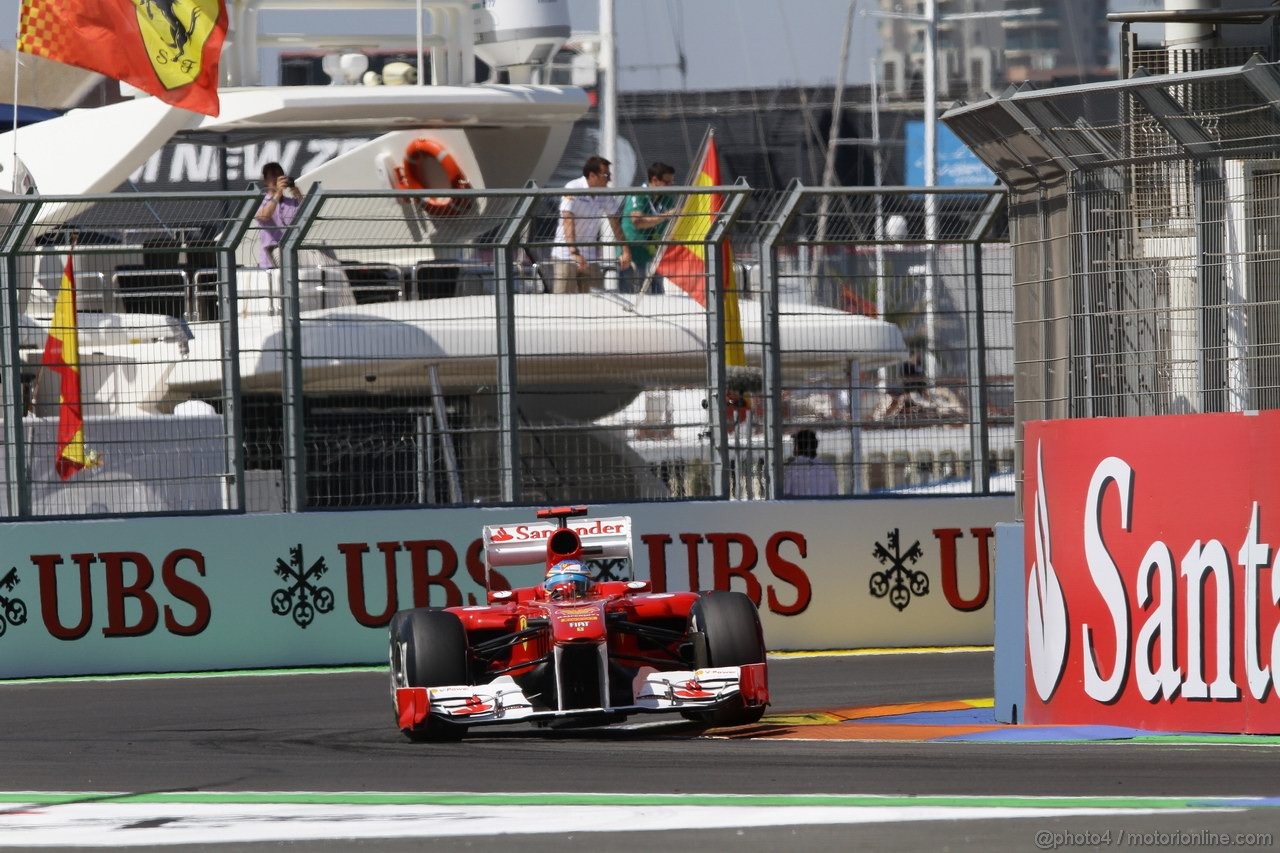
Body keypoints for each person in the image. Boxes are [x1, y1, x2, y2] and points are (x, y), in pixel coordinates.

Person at [548, 155, 631, 293]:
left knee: (597, 299)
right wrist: (574, 252)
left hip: (590, 257)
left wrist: (625, 250)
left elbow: (615, 222)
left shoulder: (604, 194)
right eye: (606, 175)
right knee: (562, 304)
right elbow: (568, 220)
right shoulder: (573, 188)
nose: (609, 180)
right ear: (592, 175)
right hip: (566, 255)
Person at [618, 161, 677, 294]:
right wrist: (665, 216)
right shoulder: (639, 194)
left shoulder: (666, 199)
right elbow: (637, 221)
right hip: (633, 253)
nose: (670, 186)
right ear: (655, 180)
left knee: (657, 294)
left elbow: (671, 226)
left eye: (671, 182)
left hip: (653, 255)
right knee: (631, 293)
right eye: (667, 182)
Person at [254, 161, 303, 268]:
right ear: (265, 181)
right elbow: (264, 217)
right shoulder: (261, 201)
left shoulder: (292, 202)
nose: (277, 180)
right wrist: (278, 193)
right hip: (270, 262)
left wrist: (297, 193)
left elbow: (307, 214)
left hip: (291, 260)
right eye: (273, 177)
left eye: (279, 176)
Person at [783, 429, 839, 496]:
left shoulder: (791, 469)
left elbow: (787, 494)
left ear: (797, 447)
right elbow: (835, 494)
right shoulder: (828, 469)